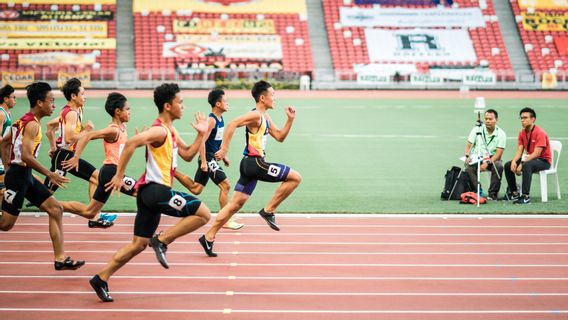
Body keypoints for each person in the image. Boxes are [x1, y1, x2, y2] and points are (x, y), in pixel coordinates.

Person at [89, 83, 211, 302]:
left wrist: (202, 135)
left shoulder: (170, 130)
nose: (183, 106)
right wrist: (119, 175)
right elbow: (130, 145)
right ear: (167, 105)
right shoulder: (159, 130)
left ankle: (101, 277)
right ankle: (162, 241)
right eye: (180, 103)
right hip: (157, 191)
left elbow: (188, 155)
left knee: (139, 244)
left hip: (148, 195)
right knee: (204, 214)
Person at [198, 80, 302, 258]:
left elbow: (280, 137)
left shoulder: (265, 117)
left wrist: (289, 121)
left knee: (234, 205)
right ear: (262, 98)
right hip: (255, 164)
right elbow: (231, 124)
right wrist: (224, 149)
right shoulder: (254, 115)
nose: (275, 98)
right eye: (272, 95)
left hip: (248, 166)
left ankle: (208, 236)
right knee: (295, 177)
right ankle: (268, 210)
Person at [0, 82, 84, 270]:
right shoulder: (31, 125)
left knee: (55, 209)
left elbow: (4, 143)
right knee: (5, 225)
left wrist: (7, 167)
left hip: (23, 174)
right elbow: (27, 156)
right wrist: (49, 174)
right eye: (51, 101)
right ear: (39, 103)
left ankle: (60, 259)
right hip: (19, 176)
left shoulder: (24, 120)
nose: (54, 106)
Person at [44, 78, 116, 228]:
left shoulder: (77, 110)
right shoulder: (71, 113)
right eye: (83, 94)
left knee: (96, 178)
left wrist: (52, 148)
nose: (85, 96)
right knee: (44, 194)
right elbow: (70, 137)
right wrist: (87, 131)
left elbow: (50, 126)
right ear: (73, 96)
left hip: (64, 155)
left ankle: (94, 215)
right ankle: (94, 216)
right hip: (64, 156)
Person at [58, 93, 137, 219]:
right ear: (117, 111)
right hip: (111, 172)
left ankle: (52, 204)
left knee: (90, 212)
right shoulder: (113, 130)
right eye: (127, 109)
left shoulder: (123, 127)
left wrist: (138, 139)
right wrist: (76, 157)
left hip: (109, 172)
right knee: (142, 192)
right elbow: (88, 136)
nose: (130, 112)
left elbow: (122, 148)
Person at [174, 89, 244, 230]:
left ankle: (172, 171)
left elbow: (215, 141)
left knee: (196, 188)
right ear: (218, 104)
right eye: (225, 101)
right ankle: (225, 220)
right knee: (225, 185)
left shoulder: (220, 119)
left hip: (213, 158)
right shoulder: (211, 120)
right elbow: (202, 142)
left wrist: (224, 157)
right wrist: (205, 161)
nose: (228, 104)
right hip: (208, 158)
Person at [504, 107, 551, 204]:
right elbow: (519, 151)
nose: (522, 120)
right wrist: (514, 161)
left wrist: (522, 163)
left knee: (527, 165)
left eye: (525, 118)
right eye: (521, 118)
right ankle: (514, 193)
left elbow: (537, 153)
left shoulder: (540, 133)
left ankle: (525, 196)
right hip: (530, 159)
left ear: (532, 119)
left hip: (543, 161)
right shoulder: (522, 133)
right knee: (508, 165)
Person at [463, 109, 506, 200]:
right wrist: (467, 156)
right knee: (468, 169)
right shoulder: (477, 129)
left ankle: (492, 193)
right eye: (486, 119)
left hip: (492, 159)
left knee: (498, 166)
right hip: (476, 158)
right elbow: (468, 147)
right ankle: (478, 190)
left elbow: (498, 154)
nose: (487, 121)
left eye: (490, 119)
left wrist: (487, 163)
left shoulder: (501, 134)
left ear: (496, 120)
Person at [0, 85, 16, 203]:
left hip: (3, 153)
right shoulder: (1, 114)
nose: (15, 100)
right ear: (6, 99)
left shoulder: (7, 113)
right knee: (3, 185)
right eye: (13, 97)